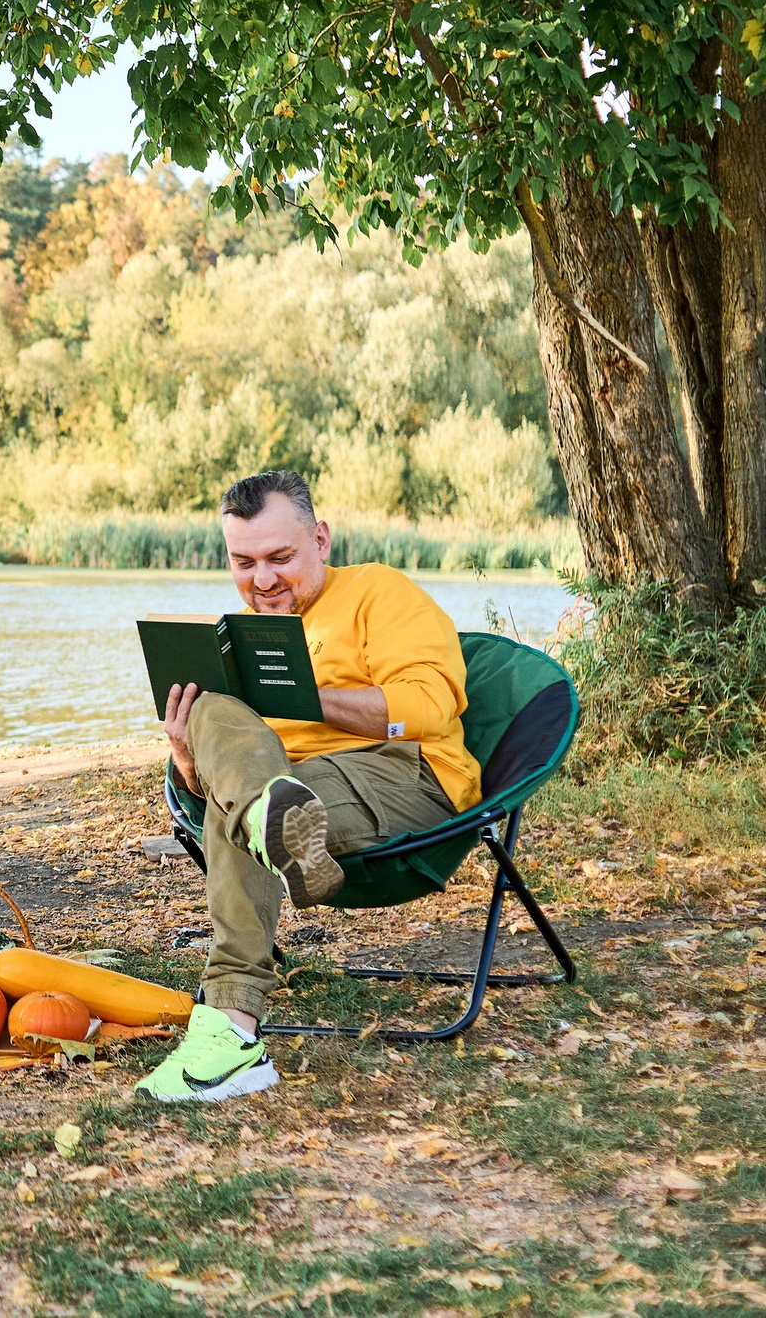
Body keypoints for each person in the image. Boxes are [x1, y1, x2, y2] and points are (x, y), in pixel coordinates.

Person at [137, 469, 473, 1105]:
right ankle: (274, 819)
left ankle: (230, 1028)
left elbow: (429, 705)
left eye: (280, 558)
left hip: (402, 772)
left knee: (248, 805)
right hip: (296, 790)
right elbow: (205, 786)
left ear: (320, 539)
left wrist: (307, 697)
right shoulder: (236, 634)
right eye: (244, 562)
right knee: (216, 724)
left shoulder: (380, 590)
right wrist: (186, 751)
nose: (262, 581)